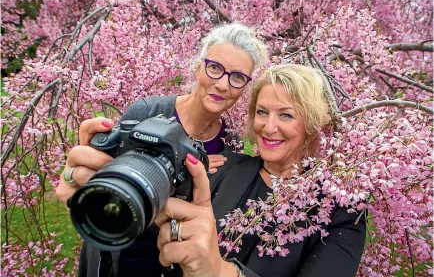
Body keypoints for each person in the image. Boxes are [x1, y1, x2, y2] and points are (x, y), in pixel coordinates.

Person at [67, 64, 366, 277]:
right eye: (262, 112)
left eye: (286, 114)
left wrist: (220, 272)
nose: (268, 126)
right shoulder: (221, 167)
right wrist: (118, 183)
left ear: (314, 124)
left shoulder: (342, 211)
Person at [56, 23, 267, 276]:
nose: (223, 85)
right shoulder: (148, 113)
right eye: (214, 68)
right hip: (118, 245)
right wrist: (80, 177)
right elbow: (114, 176)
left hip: (168, 262)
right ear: (198, 67)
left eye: (237, 77)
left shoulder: (229, 142)